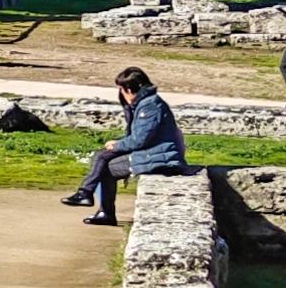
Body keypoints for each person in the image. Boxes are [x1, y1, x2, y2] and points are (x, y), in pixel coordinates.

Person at [63, 67, 191, 225]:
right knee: (102, 158)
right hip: (154, 153)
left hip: (160, 158)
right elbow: (139, 135)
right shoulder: (147, 103)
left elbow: (140, 140)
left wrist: (117, 146)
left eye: (121, 90)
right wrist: (119, 142)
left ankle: (93, 200)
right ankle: (92, 200)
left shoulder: (149, 106)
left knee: (104, 163)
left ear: (129, 89)